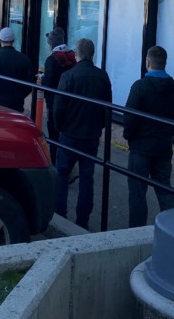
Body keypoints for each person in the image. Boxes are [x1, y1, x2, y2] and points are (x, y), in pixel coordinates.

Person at [122, 45, 174, 227]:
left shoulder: (140, 86)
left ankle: (135, 234)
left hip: (140, 148)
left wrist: (130, 137)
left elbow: (129, 117)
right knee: (164, 190)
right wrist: (166, 133)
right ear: (165, 63)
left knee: (137, 192)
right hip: (163, 147)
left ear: (148, 63)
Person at [53, 38, 112, 230]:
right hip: (91, 135)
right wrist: (100, 127)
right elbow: (107, 108)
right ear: (92, 54)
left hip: (70, 133)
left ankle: (60, 215)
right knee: (87, 179)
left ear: (76, 54)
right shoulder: (102, 77)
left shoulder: (68, 76)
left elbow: (58, 107)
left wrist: (59, 127)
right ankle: (82, 221)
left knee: (61, 174)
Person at [41, 27, 76, 164]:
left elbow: (48, 82)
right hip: (71, 101)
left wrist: (42, 79)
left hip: (54, 101)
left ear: (51, 43)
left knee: (54, 133)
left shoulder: (51, 60)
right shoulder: (72, 56)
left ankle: (55, 162)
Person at [0, 27, 34, 112]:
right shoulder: (24, 59)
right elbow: (29, 83)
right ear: (13, 40)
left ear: (0, 40)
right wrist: (20, 95)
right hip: (16, 103)